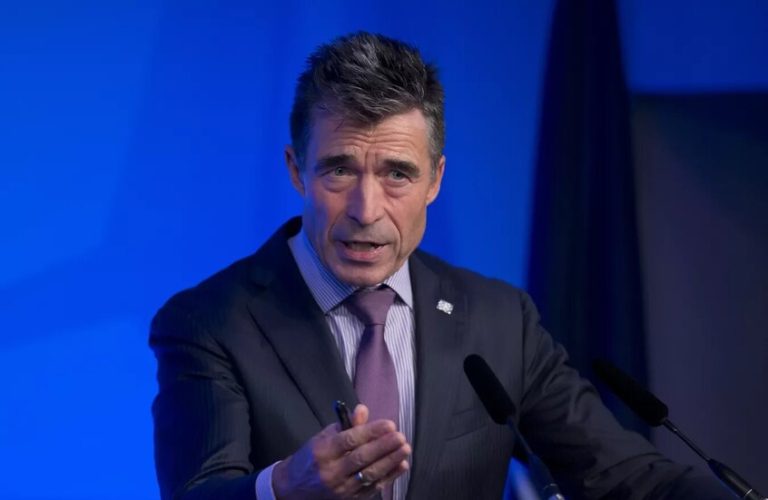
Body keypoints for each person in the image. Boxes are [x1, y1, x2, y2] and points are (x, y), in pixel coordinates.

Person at [150, 32, 731, 499]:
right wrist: (282, 487)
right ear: (297, 170)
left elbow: (623, 475)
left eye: (397, 174)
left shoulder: (500, 321)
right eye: (340, 170)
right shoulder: (211, 322)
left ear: (435, 179)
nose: (366, 210)